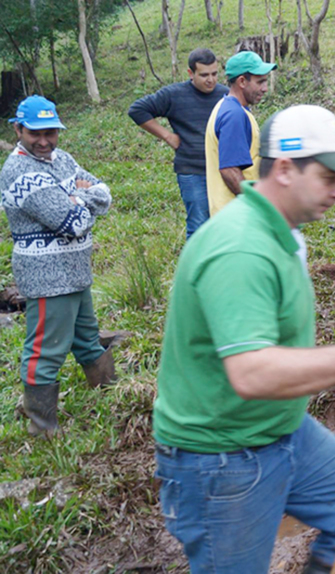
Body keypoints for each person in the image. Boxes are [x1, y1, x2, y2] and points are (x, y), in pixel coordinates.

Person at [152, 105, 335, 574]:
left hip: (281, 432)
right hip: (221, 457)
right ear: (284, 168)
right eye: (329, 177)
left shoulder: (281, 231)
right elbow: (253, 372)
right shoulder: (241, 248)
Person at [1, 95, 116, 438]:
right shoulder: (20, 171)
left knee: (87, 341)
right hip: (49, 276)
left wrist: (78, 197)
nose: (44, 141)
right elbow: (73, 223)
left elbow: (104, 193)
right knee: (45, 351)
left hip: (76, 272)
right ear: (18, 129)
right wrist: (80, 199)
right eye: (35, 133)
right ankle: (43, 428)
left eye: (50, 132)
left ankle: (110, 400)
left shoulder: (61, 159)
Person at [129, 48, 229, 238]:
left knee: (224, 223)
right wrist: (167, 136)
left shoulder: (225, 96)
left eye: (215, 74)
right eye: (204, 75)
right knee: (198, 225)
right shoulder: (174, 94)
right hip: (192, 170)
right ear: (191, 73)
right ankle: (196, 266)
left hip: (222, 171)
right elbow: (137, 110)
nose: (211, 80)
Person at [205, 50, 276, 216]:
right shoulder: (233, 115)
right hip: (236, 215)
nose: (265, 89)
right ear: (242, 81)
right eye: (260, 82)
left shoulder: (229, 107)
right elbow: (229, 169)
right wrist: (255, 205)